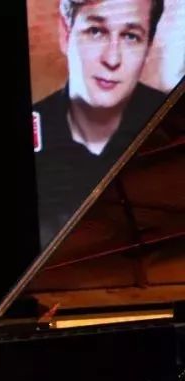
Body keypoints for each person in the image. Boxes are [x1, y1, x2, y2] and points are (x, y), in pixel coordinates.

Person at [32, 0, 167, 246]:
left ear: (148, 48)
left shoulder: (171, 124)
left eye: (131, 36)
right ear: (65, 34)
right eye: (96, 31)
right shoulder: (37, 127)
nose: (112, 59)